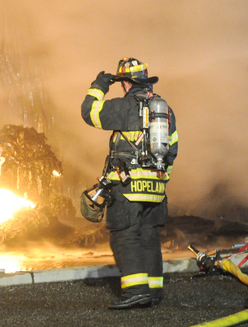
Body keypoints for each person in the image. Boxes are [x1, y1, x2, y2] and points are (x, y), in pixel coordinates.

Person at [81, 57, 178, 310]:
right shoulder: (165, 110)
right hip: (156, 189)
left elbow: (89, 112)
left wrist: (100, 85)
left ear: (125, 82)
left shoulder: (123, 107)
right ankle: (153, 291)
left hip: (127, 187)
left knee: (125, 237)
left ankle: (136, 292)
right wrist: (161, 179)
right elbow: (172, 149)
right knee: (148, 237)